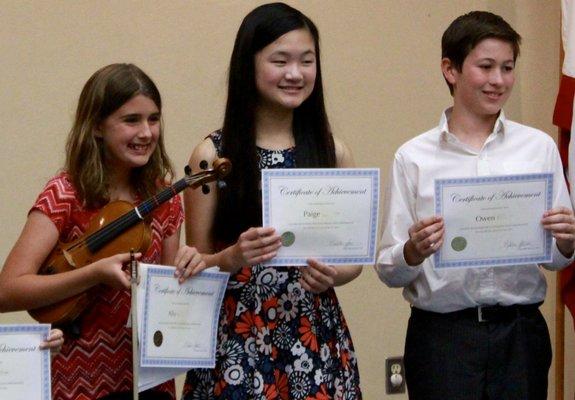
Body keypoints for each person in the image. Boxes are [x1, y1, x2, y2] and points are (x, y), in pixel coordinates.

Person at [376, 11, 575, 400]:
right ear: (450, 70)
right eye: (486, 67)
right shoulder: (413, 157)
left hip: (520, 335)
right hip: (443, 338)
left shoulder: (538, 148)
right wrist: (413, 251)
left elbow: (555, 259)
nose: (498, 80)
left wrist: (567, 241)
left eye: (507, 67)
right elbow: (388, 269)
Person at [179, 3, 362, 399]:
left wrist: (334, 275)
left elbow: (351, 262)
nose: (295, 73)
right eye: (280, 60)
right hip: (238, 340)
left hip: (316, 337)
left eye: (306, 61)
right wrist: (231, 257)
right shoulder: (212, 155)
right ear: (249, 65)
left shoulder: (334, 153)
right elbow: (193, 264)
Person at [0, 63, 204, 400]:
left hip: (146, 382)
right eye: (131, 120)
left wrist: (193, 265)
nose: (146, 133)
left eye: (153, 119)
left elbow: (167, 294)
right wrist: (93, 274)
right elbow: (7, 290)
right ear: (96, 126)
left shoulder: (163, 195)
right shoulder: (66, 193)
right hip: (79, 381)